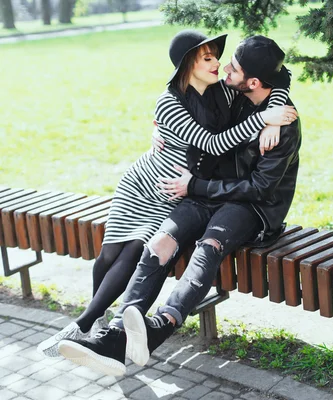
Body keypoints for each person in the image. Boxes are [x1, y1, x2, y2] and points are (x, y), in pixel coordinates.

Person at [37, 30, 298, 358]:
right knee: (137, 248)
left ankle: (138, 331)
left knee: (176, 248)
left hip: (218, 199)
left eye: (227, 64)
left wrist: (274, 119)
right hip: (176, 188)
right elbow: (211, 135)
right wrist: (263, 119)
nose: (221, 66)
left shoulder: (254, 105)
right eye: (212, 59)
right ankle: (104, 330)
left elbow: (275, 84)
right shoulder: (201, 97)